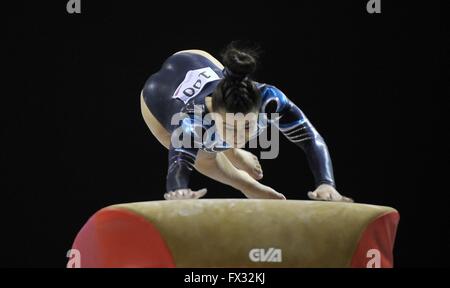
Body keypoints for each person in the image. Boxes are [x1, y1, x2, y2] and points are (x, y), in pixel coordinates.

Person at [141, 42, 353, 202]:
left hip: (195, 57)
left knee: (219, 138)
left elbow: (309, 138)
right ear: (213, 111)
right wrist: (179, 190)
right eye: (230, 127)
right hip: (157, 98)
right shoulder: (192, 120)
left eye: (248, 127)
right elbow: (179, 165)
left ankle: (231, 150)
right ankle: (246, 185)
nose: (239, 136)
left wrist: (326, 183)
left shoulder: (269, 99)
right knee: (203, 154)